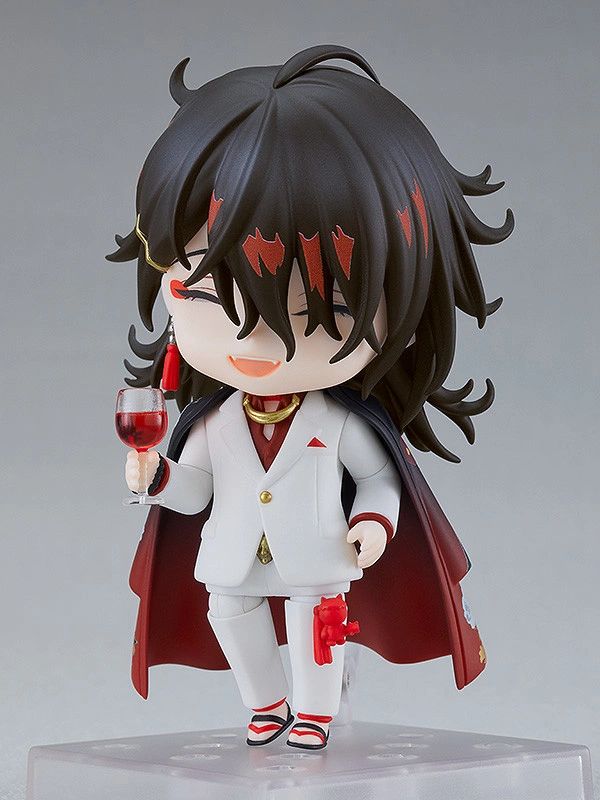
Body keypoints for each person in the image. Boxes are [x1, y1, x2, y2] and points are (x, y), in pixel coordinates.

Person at [108, 44, 513, 750]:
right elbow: (195, 489)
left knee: (316, 626)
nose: (254, 342)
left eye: (313, 312)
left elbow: (380, 479)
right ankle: (266, 705)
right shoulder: (215, 423)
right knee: (229, 614)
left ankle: (316, 712)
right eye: (207, 297)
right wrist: (156, 477)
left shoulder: (335, 421)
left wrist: (374, 523)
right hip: (234, 551)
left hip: (318, 551)